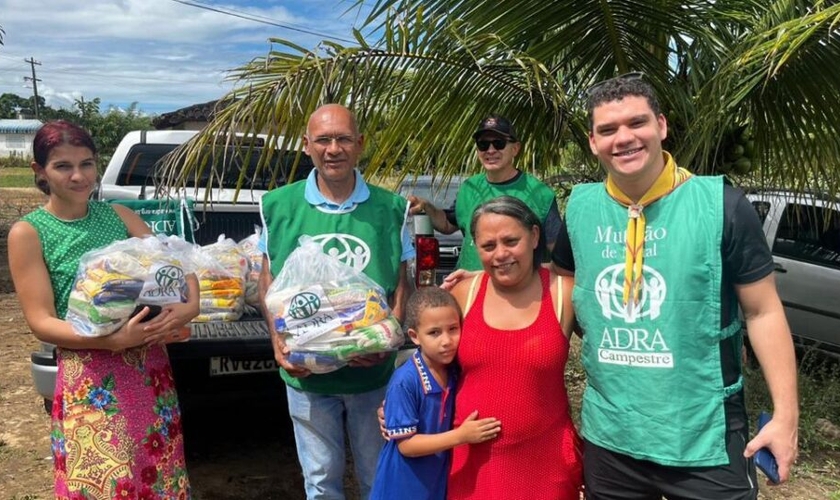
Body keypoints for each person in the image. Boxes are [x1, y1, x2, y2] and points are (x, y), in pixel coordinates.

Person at [552, 73, 799, 498]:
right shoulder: (580, 209)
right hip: (612, 436)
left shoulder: (721, 204)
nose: (623, 138)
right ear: (593, 142)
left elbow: (763, 311)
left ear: (661, 126)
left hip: (704, 435)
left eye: (637, 123)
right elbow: (559, 291)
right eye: (608, 130)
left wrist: (786, 418)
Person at [7, 120, 199, 499]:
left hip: (148, 371)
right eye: (63, 166)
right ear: (39, 171)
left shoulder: (120, 217)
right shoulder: (29, 233)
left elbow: (176, 266)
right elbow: (42, 321)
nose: (79, 176)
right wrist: (110, 340)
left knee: (159, 476)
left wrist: (189, 305)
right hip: (91, 379)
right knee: (102, 482)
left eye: (87, 164)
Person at [258, 103, 414, 499]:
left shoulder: (392, 208)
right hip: (306, 375)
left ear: (360, 144)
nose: (333, 149)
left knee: (377, 474)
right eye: (323, 140)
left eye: (343, 139)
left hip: (371, 375)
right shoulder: (278, 205)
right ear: (306, 145)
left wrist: (385, 343)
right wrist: (279, 344)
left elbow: (401, 283)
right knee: (321, 482)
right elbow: (269, 281)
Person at [447, 196, 583, 499]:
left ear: (534, 236)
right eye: (488, 246)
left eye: (511, 241)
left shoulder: (565, 293)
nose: (501, 254)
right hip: (473, 463)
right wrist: (398, 405)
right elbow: (431, 365)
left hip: (545, 462)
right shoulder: (463, 293)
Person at [370, 287, 501, 500]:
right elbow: (406, 445)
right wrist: (461, 436)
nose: (447, 340)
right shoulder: (405, 381)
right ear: (414, 336)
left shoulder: (455, 370)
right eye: (434, 332)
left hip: (434, 484)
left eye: (453, 329)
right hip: (402, 487)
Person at [408, 114, 561, 270]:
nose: (491, 150)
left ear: (515, 149)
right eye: (483, 144)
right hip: (470, 289)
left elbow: (558, 255)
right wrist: (426, 206)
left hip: (518, 292)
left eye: (498, 143)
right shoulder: (469, 188)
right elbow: (448, 224)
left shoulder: (540, 194)